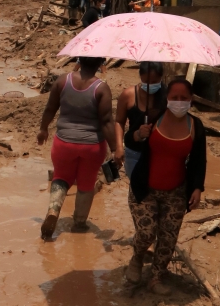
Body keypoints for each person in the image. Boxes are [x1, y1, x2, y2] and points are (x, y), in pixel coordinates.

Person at [126, 78, 206, 295]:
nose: (179, 102)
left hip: (176, 192)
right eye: (174, 97)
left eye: (184, 98)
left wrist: (197, 188)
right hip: (144, 189)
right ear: (167, 98)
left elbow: (199, 161)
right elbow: (129, 140)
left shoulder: (195, 126)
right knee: (146, 233)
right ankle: (137, 257)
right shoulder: (152, 118)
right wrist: (138, 134)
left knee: (168, 238)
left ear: (191, 100)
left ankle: (156, 277)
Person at [37, 56, 118, 240]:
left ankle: (53, 209)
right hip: (92, 146)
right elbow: (106, 122)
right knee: (86, 184)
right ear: (100, 64)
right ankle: (79, 224)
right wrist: (115, 149)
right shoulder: (101, 88)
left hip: (64, 142)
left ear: (79, 60)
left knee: (60, 177)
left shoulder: (62, 80)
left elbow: (50, 108)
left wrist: (43, 129)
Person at [115, 62, 166, 178]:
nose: (150, 85)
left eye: (155, 82)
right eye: (147, 81)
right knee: (136, 190)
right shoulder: (128, 95)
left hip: (160, 154)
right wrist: (119, 147)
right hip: (134, 152)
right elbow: (119, 121)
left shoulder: (166, 96)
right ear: (140, 77)